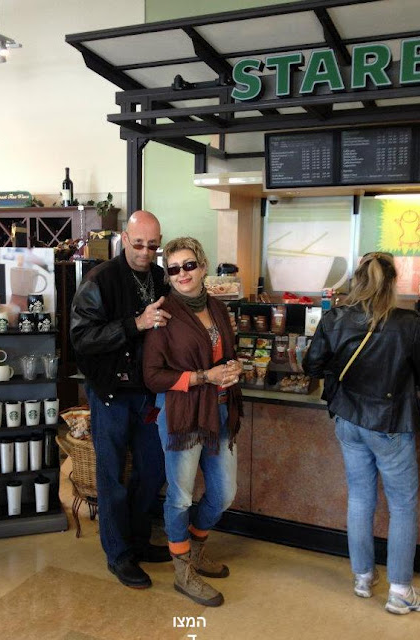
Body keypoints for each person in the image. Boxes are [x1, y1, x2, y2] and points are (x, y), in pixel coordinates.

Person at [303, 252, 420, 615]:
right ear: (392, 283)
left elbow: (312, 365)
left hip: (348, 419)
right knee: (402, 505)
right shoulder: (409, 323)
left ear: (357, 281)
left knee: (359, 497)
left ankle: (362, 577)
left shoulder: (335, 317)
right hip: (390, 424)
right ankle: (400, 591)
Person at [70, 210, 173, 589]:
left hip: (148, 393)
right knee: (111, 477)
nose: (145, 252)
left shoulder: (160, 278)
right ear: (124, 239)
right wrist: (136, 324)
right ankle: (118, 555)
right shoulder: (99, 280)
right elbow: (81, 339)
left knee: (152, 471)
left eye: (153, 246)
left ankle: (139, 540)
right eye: (139, 244)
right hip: (110, 393)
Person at [143, 237, 243, 607]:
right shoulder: (164, 315)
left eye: (188, 265)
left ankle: (196, 548)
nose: (182, 274)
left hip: (220, 411)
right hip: (182, 414)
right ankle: (183, 570)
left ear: (202, 266)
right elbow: (153, 376)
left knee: (223, 493)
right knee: (181, 496)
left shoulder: (217, 307)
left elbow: (226, 353)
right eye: (173, 269)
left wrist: (234, 366)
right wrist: (204, 377)